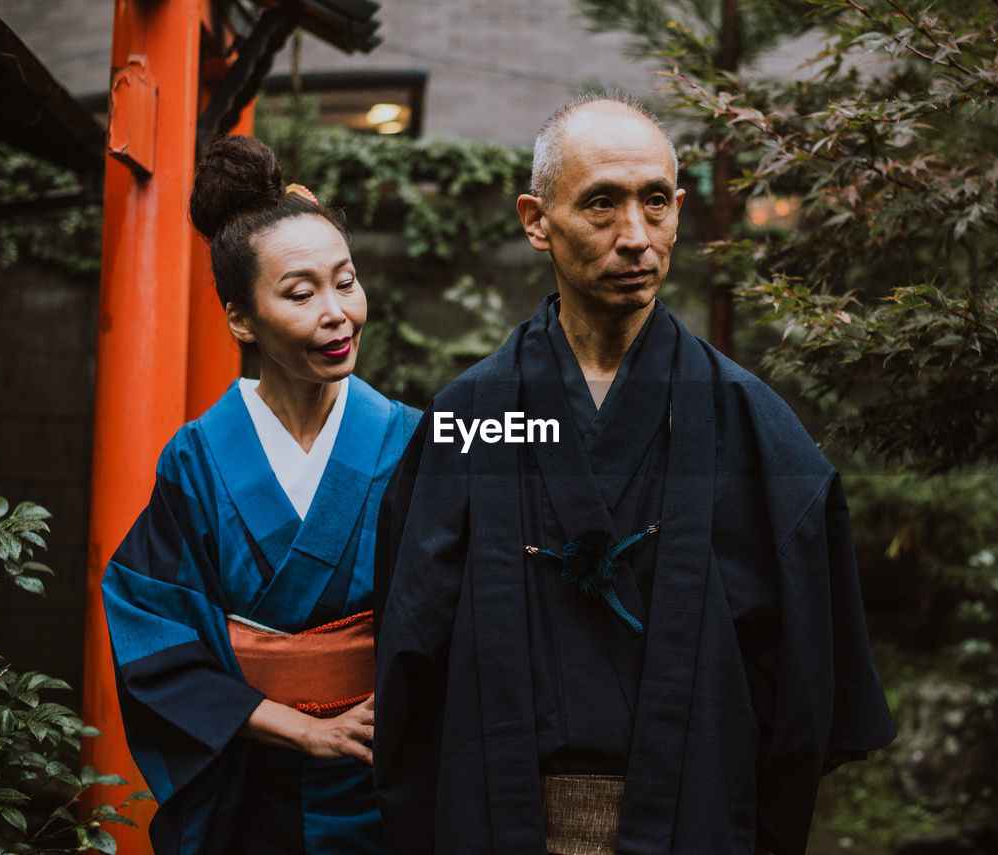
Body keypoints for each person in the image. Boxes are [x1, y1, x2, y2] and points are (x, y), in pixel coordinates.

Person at [371, 92, 895, 855]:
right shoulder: (473, 415)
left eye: (656, 204)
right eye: (601, 206)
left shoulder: (747, 419)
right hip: (499, 818)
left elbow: (808, 680)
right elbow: (409, 659)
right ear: (535, 219)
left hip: (694, 817)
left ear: (681, 209)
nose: (636, 238)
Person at [102, 136, 418, 855]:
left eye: (347, 280)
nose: (337, 312)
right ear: (241, 318)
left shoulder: (411, 442)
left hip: (386, 782)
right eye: (301, 293)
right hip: (251, 788)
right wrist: (303, 725)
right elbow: (151, 620)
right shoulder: (198, 458)